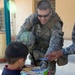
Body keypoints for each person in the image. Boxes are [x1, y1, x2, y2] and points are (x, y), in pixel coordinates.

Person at [16, 0, 64, 75]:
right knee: (26, 36)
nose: (42, 19)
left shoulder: (55, 23)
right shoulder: (32, 18)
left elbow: (54, 45)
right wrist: (17, 58)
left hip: (48, 57)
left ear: (50, 12)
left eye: (45, 16)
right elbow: (20, 35)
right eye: (40, 16)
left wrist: (45, 61)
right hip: (34, 54)